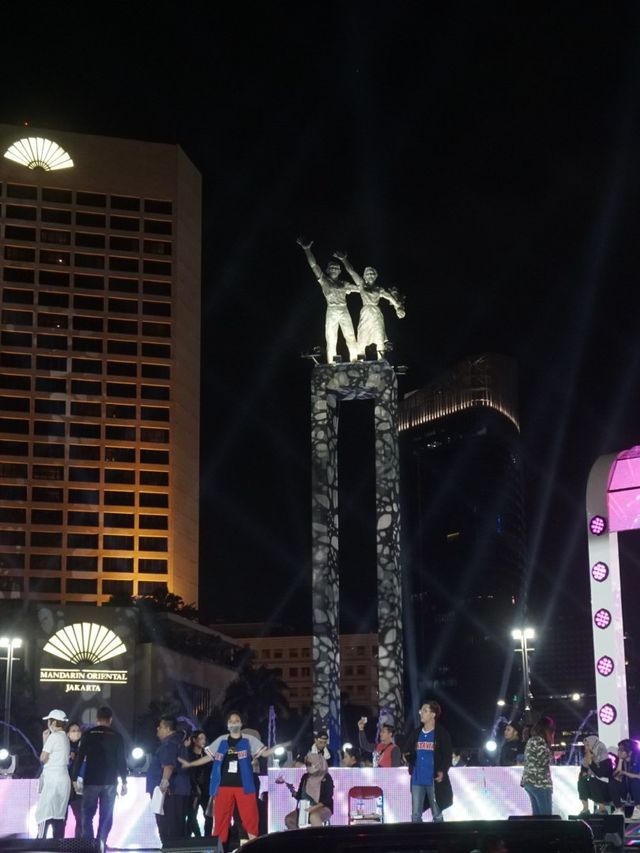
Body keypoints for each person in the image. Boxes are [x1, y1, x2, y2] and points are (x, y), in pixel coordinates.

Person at [178, 710, 286, 848]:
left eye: (236, 721)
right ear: (227, 725)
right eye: (231, 721)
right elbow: (209, 757)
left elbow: (264, 753)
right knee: (221, 820)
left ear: (241, 724)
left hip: (244, 785)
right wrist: (190, 763)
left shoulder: (249, 740)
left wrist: (275, 748)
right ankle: (219, 849)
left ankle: (254, 848)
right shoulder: (221, 740)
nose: (234, 723)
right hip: (223, 786)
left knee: (250, 818)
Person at [71, 705, 127, 845]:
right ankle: (101, 843)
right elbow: (121, 760)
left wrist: (74, 778)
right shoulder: (117, 737)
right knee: (106, 815)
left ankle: (90, 844)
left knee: (87, 815)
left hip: (91, 780)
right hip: (110, 781)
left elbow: (79, 757)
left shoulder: (88, 735)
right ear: (111, 719)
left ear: (97, 719)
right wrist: (124, 781)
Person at [333, 251, 405, 358]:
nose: (370, 275)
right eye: (368, 274)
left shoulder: (379, 289)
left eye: (372, 273)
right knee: (362, 337)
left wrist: (397, 307)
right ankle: (360, 361)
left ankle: (381, 360)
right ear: (364, 277)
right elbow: (352, 272)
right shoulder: (362, 286)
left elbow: (389, 297)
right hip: (366, 312)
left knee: (379, 337)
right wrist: (344, 260)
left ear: (375, 276)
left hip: (376, 313)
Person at [297, 238, 359, 363]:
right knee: (331, 339)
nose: (334, 269)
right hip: (331, 310)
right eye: (332, 267)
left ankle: (355, 360)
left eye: (337, 268)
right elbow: (314, 266)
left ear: (340, 271)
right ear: (328, 270)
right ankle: (332, 363)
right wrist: (307, 250)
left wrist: (344, 260)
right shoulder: (324, 281)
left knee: (351, 336)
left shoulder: (344, 283)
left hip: (343, 309)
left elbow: (360, 288)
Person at [403, 700, 453, 822]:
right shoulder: (416, 733)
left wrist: (442, 771)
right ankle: (418, 839)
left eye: (425, 711)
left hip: (433, 780)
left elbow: (447, 755)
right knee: (415, 814)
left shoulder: (441, 734)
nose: (421, 713)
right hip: (417, 779)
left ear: (433, 714)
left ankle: (440, 838)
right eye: (421, 711)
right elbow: (406, 751)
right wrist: (409, 759)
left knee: (436, 813)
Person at [146, 715, 191, 844]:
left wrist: (164, 783)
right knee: (175, 826)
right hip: (176, 791)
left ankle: (170, 849)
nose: (157, 729)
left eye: (160, 727)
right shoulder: (177, 742)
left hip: (170, 792)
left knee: (168, 827)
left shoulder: (169, 743)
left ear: (167, 728)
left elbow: (168, 765)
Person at [35, 709, 71, 839]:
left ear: (54, 722)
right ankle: (57, 845)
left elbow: (43, 758)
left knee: (44, 813)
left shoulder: (54, 736)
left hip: (53, 778)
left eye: (49, 721)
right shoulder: (65, 737)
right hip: (63, 777)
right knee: (58, 815)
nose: (48, 723)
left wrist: (46, 739)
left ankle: (39, 844)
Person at [282, 753, 334, 829]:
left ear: (317, 765)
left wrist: (312, 808)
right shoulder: (305, 777)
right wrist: (291, 790)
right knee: (289, 819)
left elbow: (327, 799)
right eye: (306, 765)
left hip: (322, 807)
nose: (306, 767)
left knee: (313, 816)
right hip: (306, 808)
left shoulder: (326, 778)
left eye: (309, 765)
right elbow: (300, 795)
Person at [520, 715, 555, 815]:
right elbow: (542, 760)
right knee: (546, 817)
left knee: (537, 817)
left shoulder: (532, 740)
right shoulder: (539, 741)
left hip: (530, 781)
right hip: (540, 782)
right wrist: (551, 755)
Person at [186, 729, 213, 837]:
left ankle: (207, 838)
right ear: (194, 740)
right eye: (201, 738)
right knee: (192, 816)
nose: (203, 741)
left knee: (209, 815)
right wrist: (195, 787)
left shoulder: (207, 755)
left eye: (204, 739)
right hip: (193, 790)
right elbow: (189, 773)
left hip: (206, 789)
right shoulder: (188, 755)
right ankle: (197, 838)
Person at [577, 734, 613, 816]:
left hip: (606, 789)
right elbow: (583, 773)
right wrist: (584, 773)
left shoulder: (606, 759)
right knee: (582, 782)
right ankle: (585, 808)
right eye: (585, 745)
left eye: (588, 745)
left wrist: (591, 762)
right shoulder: (585, 760)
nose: (586, 747)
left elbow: (600, 774)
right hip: (593, 788)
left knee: (593, 780)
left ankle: (602, 808)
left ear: (594, 745)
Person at [610, 739, 640, 817]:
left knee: (635, 781)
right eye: (619, 750)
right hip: (626, 791)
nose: (619, 752)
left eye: (622, 750)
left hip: (637, 790)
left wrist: (625, 773)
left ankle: (638, 809)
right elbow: (616, 776)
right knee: (612, 781)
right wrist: (620, 761)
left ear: (630, 752)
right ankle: (619, 809)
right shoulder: (620, 760)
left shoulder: (638, 759)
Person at [65, 721, 83, 838]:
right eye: (73, 731)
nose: (76, 733)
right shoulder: (63, 748)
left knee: (81, 817)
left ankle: (79, 843)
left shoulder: (84, 748)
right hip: (64, 787)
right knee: (61, 818)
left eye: (78, 731)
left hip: (78, 788)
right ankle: (57, 843)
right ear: (67, 734)